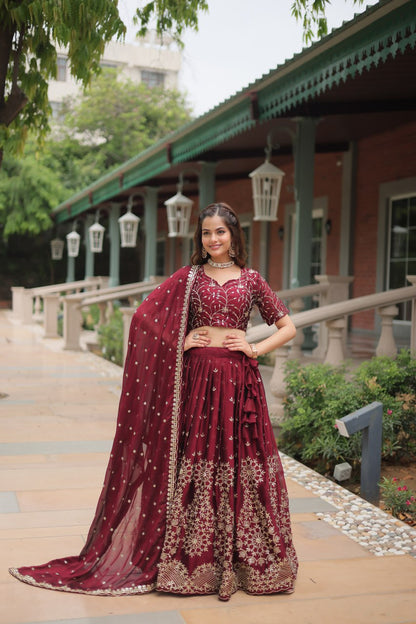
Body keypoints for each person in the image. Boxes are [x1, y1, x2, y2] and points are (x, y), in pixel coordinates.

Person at [10, 202, 298, 601]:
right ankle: (192, 562)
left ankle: (242, 561)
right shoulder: (189, 277)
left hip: (237, 381)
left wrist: (254, 347)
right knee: (195, 460)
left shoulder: (251, 280)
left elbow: (288, 326)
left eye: (220, 232)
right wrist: (180, 341)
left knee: (238, 462)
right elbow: (143, 318)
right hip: (197, 381)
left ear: (234, 235)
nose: (213, 240)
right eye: (206, 233)